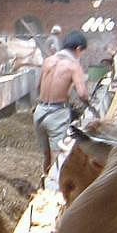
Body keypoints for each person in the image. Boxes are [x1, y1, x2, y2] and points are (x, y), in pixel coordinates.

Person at [33, 30, 90, 179]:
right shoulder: (73, 66)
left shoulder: (48, 61)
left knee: (45, 155)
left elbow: (38, 87)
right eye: (81, 52)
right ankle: (51, 195)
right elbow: (82, 94)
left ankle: (44, 182)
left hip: (39, 111)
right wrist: (89, 104)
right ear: (78, 49)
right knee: (57, 158)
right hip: (57, 114)